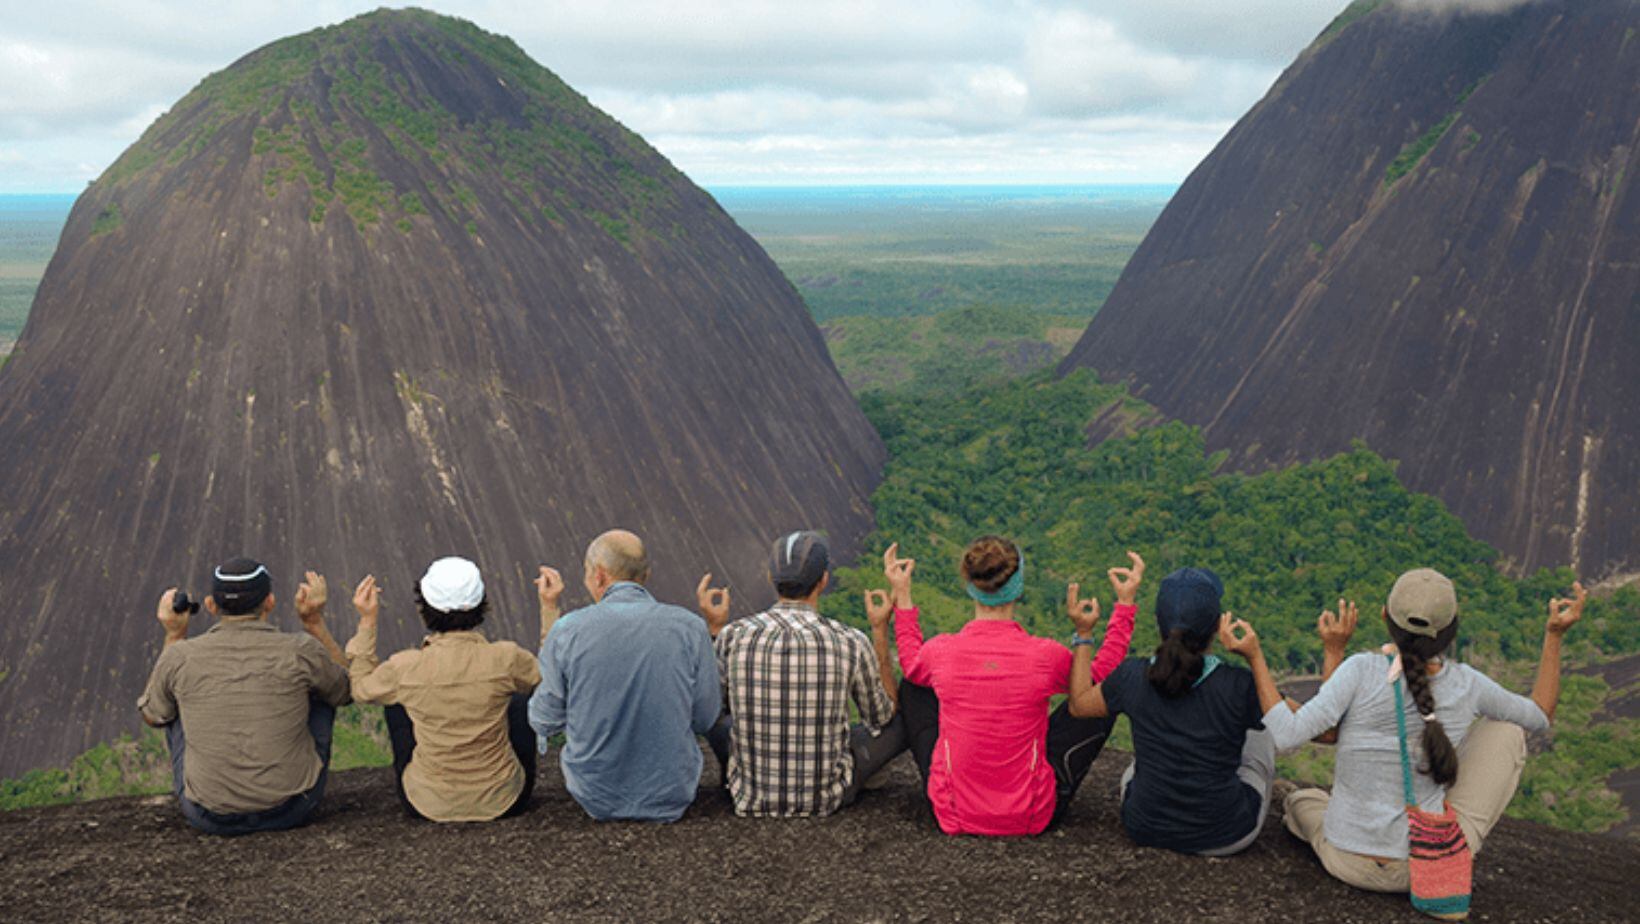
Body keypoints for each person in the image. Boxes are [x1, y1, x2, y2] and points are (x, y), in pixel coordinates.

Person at [1231, 569, 1585, 893]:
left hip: (1345, 862)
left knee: (1302, 800)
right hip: (1422, 868)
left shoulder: (1359, 670)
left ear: (1385, 616)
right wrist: (1554, 635)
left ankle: (1306, 810)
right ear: (1452, 629)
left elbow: (1288, 733)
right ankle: (1446, 839)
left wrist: (1259, 656)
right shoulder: (1469, 684)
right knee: (1507, 730)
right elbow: (1540, 715)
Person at [891, 537, 1141, 836]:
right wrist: (1124, 606)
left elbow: (911, 663)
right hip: (1030, 814)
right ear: (1018, 586)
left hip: (955, 813)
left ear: (969, 584)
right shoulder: (1044, 656)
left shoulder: (941, 652)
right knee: (1098, 699)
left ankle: (953, 784)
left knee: (914, 685)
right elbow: (1099, 676)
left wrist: (902, 594)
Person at [1066, 567, 1276, 855]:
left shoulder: (1131, 676)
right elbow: (1304, 726)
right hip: (1224, 835)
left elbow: (1079, 705)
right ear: (1218, 626)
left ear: (1158, 622)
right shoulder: (1239, 685)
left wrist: (1084, 634)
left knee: (1136, 767)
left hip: (1144, 826)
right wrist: (1255, 657)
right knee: (1266, 724)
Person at [699, 530, 906, 817]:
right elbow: (880, 717)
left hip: (750, 797)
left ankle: (738, 771)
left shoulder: (733, 635)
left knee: (712, 711)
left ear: (770, 578)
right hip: (825, 798)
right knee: (902, 719)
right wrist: (880, 629)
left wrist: (715, 628)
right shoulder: (850, 640)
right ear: (823, 580)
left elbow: (713, 707)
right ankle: (863, 776)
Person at [138, 557, 350, 836]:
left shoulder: (181, 657)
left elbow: (153, 715)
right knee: (322, 682)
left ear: (211, 605)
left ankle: (216, 787)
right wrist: (313, 622)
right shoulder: (299, 651)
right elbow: (345, 690)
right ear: (270, 602)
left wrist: (175, 636)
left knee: (171, 697)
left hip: (208, 815)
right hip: (293, 808)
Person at [528, 530, 720, 822]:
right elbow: (705, 717)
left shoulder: (568, 630)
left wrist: (549, 610)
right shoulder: (690, 628)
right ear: (646, 575)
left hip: (593, 793)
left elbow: (544, 719)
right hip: (673, 791)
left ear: (599, 576)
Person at [346, 557, 544, 822]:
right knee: (519, 700)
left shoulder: (405, 667)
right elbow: (549, 675)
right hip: (505, 800)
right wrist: (549, 606)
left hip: (426, 803)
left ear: (425, 607)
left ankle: (432, 781)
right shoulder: (506, 658)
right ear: (481, 604)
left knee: (397, 704)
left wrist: (367, 621)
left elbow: (360, 688)